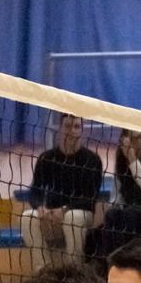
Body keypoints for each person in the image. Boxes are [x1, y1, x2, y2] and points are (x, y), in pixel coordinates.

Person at [20, 114, 103, 269]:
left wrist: (65, 210)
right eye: (67, 126)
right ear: (60, 129)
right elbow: (35, 192)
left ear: (82, 130)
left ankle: (74, 271)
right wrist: (40, 207)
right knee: (27, 217)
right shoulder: (46, 158)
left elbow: (90, 198)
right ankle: (43, 270)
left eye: (76, 127)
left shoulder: (92, 160)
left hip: (80, 215)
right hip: (52, 216)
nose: (72, 131)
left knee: (72, 217)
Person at [101, 129, 141, 256]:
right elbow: (116, 196)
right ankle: (110, 260)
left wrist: (132, 158)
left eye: (140, 138)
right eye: (132, 139)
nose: (137, 143)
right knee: (111, 215)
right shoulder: (121, 165)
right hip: (129, 212)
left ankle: (124, 258)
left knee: (130, 214)